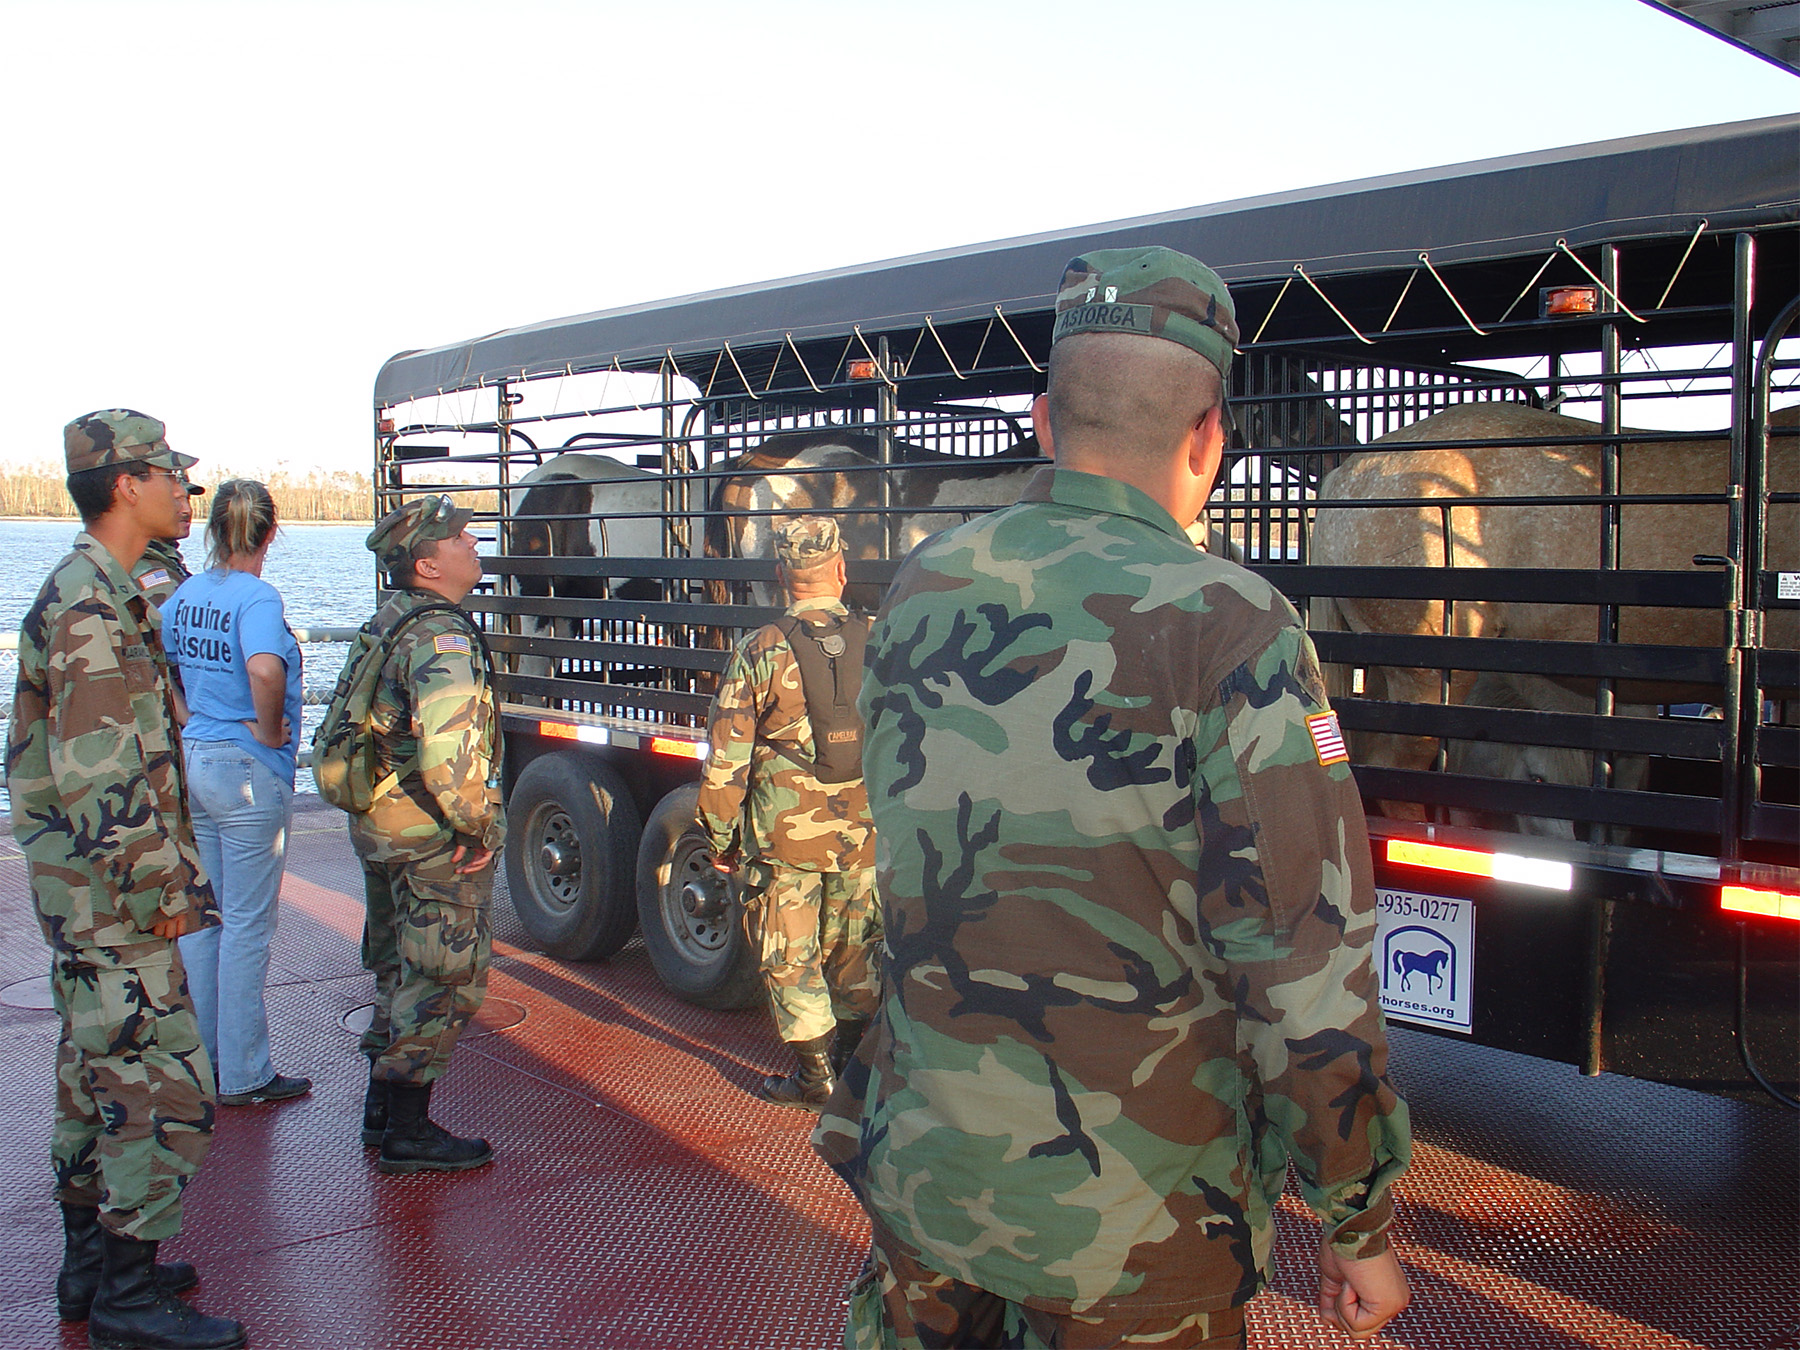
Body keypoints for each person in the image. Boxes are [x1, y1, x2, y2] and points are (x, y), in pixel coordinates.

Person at [812, 249, 1413, 1349]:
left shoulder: (923, 585)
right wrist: (1357, 1215)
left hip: (927, 1186)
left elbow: (885, 854)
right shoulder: (1235, 626)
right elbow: (1302, 957)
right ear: (1209, 438)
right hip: (1136, 1234)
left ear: (1044, 421)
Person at [9, 409, 247, 1348]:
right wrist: (163, 898)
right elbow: (103, 780)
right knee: (162, 1083)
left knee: (92, 1075)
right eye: (170, 477)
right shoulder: (91, 607)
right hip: (116, 904)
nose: (185, 493)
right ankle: (129, 1293)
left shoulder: (99, 592)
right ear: (125, 486)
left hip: (87, 899)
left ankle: (92, 1268)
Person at [697, 517, 881, 1110]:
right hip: (865, 832)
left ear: (781, 575)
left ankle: (814, 1076)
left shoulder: (760, 649)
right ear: (841, 569)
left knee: (789, 952)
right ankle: (852, 1066)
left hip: (784, 838)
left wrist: (719, 838)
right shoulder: (880, 639)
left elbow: (726, 758)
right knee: (857, 948)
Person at [351, 495, 504, 1174]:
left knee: (395, 967)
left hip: (382, 824)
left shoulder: (392, 619)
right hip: (429, 835)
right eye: (458, 537)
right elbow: (451, 757)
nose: (473, 542)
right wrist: (480, 826)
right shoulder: (442, 638)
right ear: (427, 563)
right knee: (441, 976)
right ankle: (408, 1130)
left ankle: (380, 1111)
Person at [165, 480, 311, 1107]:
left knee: (207, 920)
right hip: (248, 772)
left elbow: (159, 664)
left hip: (198, 760)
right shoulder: (257, 597)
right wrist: (270, 730)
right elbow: (263, 667)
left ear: (212, 528)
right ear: (270, 532)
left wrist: (191, 715)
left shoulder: (187, 593)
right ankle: (246, 1073)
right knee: (248, 926)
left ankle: (202, 1061)